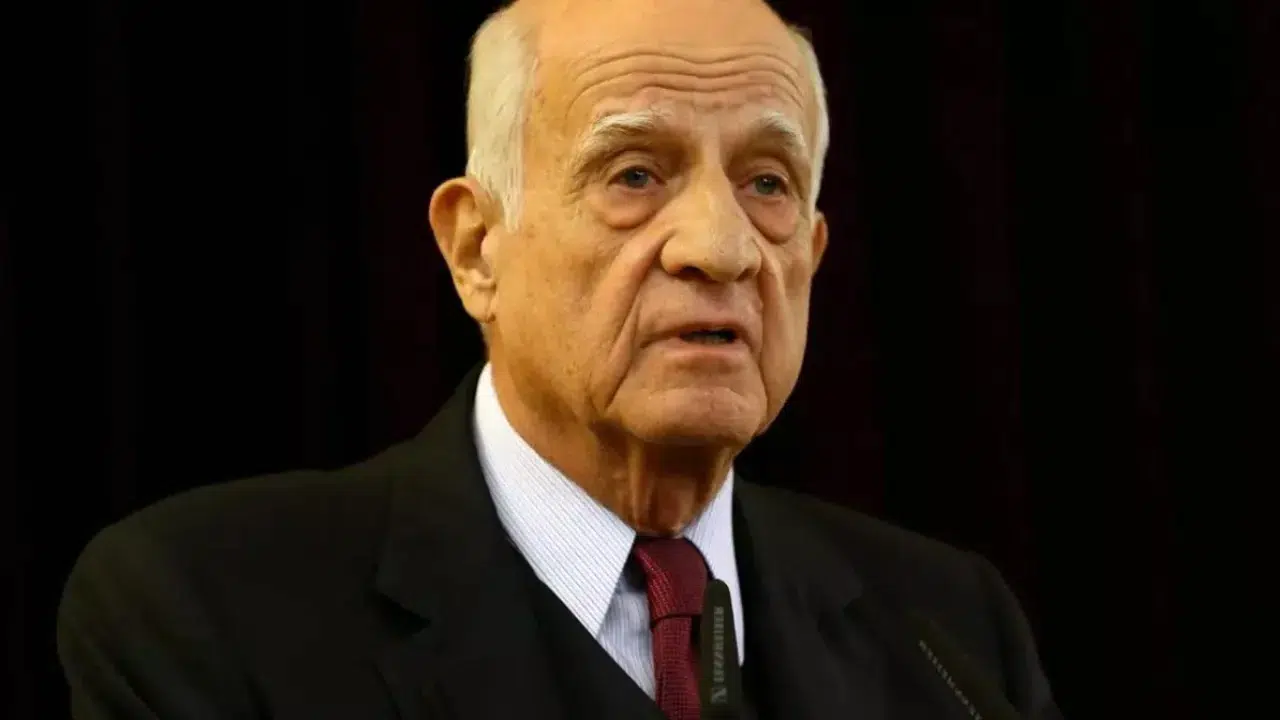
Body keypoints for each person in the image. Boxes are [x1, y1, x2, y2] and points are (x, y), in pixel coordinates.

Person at [57, 0, 1064, 718]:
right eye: (634, 174)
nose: (720, 247)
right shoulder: (211, 611)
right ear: (475, 249)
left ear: (812, 252)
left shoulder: (950, 636)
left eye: (767, 183)